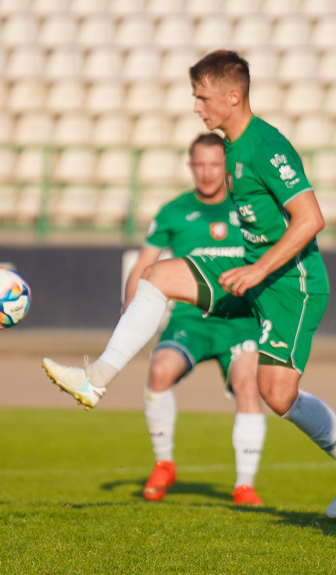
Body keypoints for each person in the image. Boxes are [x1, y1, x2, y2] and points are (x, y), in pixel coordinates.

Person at [43, 50, 336, 519]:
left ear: (233, 95)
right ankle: (95, 379)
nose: (197, 108)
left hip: (292, 285)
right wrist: (251, 267)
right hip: (251, 270)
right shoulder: (232, 150)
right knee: (156, 276)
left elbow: (311, 219)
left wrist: (259, 271)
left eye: (202, 98)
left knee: (277, 395)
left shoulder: (266, 146)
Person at [123, 133, 265, 506]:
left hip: (240, 320)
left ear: (226, 167)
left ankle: (244, 485)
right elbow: (143, 265)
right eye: (199, 164)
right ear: (190, 166)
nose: (206, 172)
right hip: (190, 318)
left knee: (249, 384)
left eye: (214, 164)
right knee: (159, 369)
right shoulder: (174, 211)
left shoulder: (249, 208)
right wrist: (128, 320)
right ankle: (164, 463)